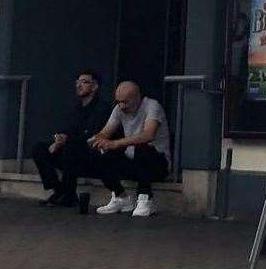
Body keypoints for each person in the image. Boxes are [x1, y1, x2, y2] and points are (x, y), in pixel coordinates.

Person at [29, 69, 115, 207]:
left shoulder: (102, 109)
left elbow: (93, 136)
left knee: (71, 148)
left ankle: (66, 194)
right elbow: (64, 130)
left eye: (84, 82)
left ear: (95, 86)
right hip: (71, 154)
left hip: (91, 157)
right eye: (77, 82)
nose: (79, 85)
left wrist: (66, 140)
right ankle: (60, 191)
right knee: (38, 148)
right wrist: (57, 139)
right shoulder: (76, 108)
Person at [89, 80, 170, 217]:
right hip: (133, 162)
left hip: (157, 163)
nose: (121, 105)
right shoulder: (119, 108)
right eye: (118, 101)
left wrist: (115, 143)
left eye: (125, 102)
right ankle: (121, 197)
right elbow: (106, 132)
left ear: (137, 98)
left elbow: (148, 135)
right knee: (101, 151)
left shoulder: (152, 106)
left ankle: (145, 198)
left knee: (142, 148)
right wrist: (98, 139)